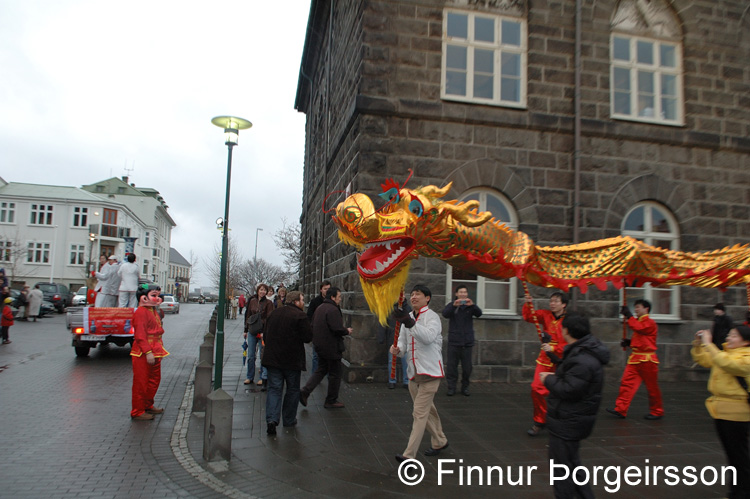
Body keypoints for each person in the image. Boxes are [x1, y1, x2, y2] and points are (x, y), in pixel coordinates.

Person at [540, 312, 610, 499]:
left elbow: (569, 389)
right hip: (572, 419)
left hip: (568, 421)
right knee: (572, 464)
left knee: (562, 470)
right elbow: (570, 373)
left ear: (568, 331)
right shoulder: (583, 351)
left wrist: (548, 379)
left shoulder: (583, 359)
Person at [391, 284, 449, 462]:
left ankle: (409, 455)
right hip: (414, 373)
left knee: (419, 413)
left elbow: (428, 337)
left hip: (430, 373)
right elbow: (403, 344)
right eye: (412, 294)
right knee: (428, 411)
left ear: (427, 298)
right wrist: (397, 349)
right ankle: (440, 440)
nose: (414, 297)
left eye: (418, 294)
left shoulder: (433, 317)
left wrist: (410, 323)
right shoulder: (407, 317)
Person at [692, 325, 750, 499]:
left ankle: (742, 492)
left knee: (739, 455)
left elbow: (728, 364)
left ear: (746, 342)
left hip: (737, 412)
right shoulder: (725, 353)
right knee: (732, 455)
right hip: (720, 410)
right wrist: (698, 344)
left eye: (734, 336)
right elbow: (706, 360)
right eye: (729, 334)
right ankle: (737, 491)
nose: (728, 338)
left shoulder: (746, 357)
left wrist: (709, 343)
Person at [261, 291, 313, 435]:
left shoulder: (274, 314)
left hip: (273, 359)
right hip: (292, 360)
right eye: (302, 300)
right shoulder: (300, 316)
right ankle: (289, 419)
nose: (303, 303)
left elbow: (266, 334)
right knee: (292, 390)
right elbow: (308, 337)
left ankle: (272, 420)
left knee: (274, 389)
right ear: (296, 301)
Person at [606, 299, 664, 420]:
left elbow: (640, 328)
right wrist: (630, 343)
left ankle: (657, 411)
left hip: (647, 359)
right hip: (636, 358)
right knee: (626, 384)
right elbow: (642, 339)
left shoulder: (649, 322)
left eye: (638, 307)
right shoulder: (639, 322)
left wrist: (629, 316)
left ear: (646, 309)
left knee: (652, 387)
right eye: (635, 307)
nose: (636, 309)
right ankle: (621, 409)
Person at [522, 291, 569, 436]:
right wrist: (528, 303)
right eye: (551, 301)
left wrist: (555, 347)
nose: (552, 304)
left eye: (556, 301)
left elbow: (572, 343)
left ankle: (562, 419)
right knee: (536, 388)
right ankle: (540, 420)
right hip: (544, 359)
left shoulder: (569, 321)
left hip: (562, 360)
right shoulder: (545, 315)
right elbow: (530, 317)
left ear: (564, 304)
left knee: (562, 392)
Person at [299, 286, 352, 409]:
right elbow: (336, 328)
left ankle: (305, 391)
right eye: (339, 297)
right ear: (333, 297)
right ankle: (331, 400)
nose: (340, 299)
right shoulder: (332, 309)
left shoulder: (320, 308)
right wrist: (346, 330)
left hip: (320, 345)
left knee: (321, 370)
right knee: (335, 374)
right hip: (331, 347)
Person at [130, 284, 168, 421]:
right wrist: (148, 352)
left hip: (155, 350)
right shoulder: (141, 313)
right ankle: (137, 410)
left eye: (158, 295)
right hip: (143, 353)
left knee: (154, 380)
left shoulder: (153, 311)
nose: (158, 298)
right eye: (154, 295)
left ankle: (147, 404)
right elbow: (140, 335)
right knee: (142, 382)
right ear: (144, 298)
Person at [443, 285, 482, 396]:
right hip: (454, 342)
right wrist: (454, 306)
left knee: (467, 368)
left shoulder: (470, 306)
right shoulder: (452, 305)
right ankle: (451, 387)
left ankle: (465, 387)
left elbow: (479, 314)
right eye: (461, 292)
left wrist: (473, 305)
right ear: (456, 294)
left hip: (467, 342)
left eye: (465, 292)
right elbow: (445, 314)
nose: (463, 294)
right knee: (451, 367)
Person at [244, 283, 274, 387]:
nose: (262, 292)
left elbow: (270, 317)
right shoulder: (252, 302)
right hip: (252, 331)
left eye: (264, 290)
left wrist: (263, 326)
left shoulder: (269, 303)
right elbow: (248, 315)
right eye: (261, 290)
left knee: (263, 355)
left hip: (262, 332)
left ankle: (263, 376)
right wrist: (245, 329)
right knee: (251, 355)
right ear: (258, 291)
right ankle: (249, 376)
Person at [307, 280, 332, 373]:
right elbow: (309, 316)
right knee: (316, 356)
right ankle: (315, 375)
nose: (327, 291)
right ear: (321, 290)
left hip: (329, 333)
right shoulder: (315, 301)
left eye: (329, 289)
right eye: (325, 289)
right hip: (317, 332)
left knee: (328, 355)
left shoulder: (333, 301)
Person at [379, 315, 408, 389]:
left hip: (404, 339)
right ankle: (392, 380)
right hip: (393, 338)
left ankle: (406, 381)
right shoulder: (389, 309)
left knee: (406, 361)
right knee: (392, 361)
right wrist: (381, 338)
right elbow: (383, 323)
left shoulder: (407, 309)